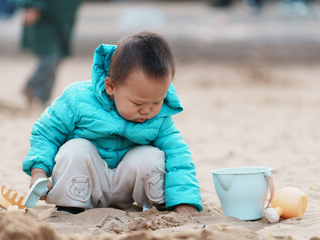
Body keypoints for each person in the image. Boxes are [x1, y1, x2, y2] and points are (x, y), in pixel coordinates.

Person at [23, 31, 203, 216]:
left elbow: (178, 155)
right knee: (75, 149)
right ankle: (70, 206)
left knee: (152, 156)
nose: (147, 111)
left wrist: (184, 201)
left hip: (127, 185)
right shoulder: (77, 99)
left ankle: (160, 205)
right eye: (138, 103)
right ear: (110, 86)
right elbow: (46, 133)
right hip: (86, 183)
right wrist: (39, 171)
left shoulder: (159, 115)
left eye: (156, 102)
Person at [19, 0, 83, 107]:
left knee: (57, 58)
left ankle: (33, 87)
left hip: (63, 18)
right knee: (50, 58)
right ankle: (40, 94)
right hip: (45, 16)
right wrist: (30, 5)